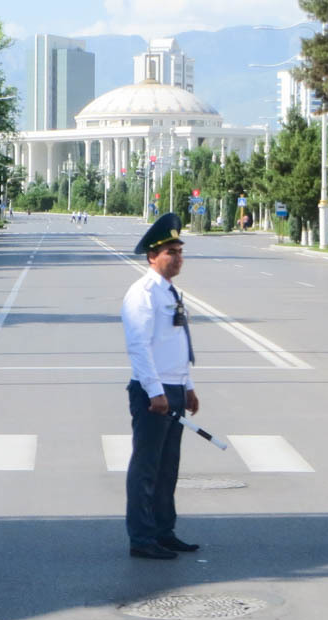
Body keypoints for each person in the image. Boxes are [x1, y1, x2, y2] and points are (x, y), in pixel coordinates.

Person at [122, 212, 200, 560]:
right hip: (153, 393)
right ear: (152, 256)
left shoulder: (171, 292)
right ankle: (142, 537)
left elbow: (176, 344)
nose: (178, 257)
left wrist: (188, 386)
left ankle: (164, 531)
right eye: (171, 251)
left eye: (180, 251)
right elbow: (139, 346)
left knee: (168, 468)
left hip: (174, 390)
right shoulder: (142, 294)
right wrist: (155, 392)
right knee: (146, 468)